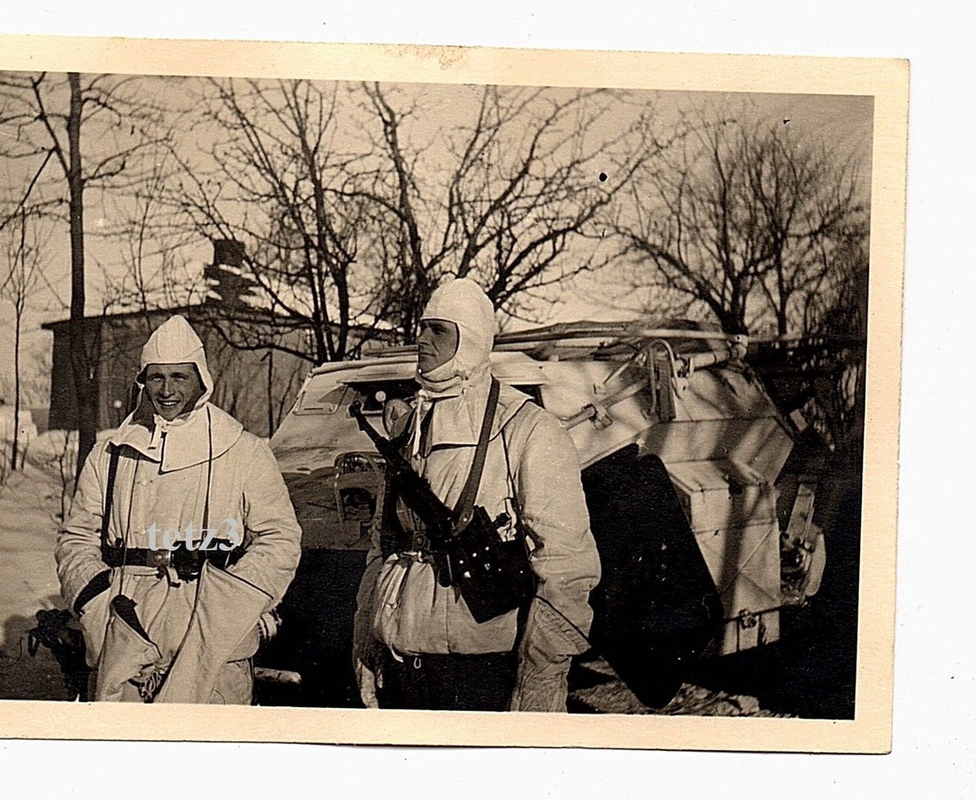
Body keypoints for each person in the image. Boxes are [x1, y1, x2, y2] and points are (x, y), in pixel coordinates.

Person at [352, 278, 601, 712]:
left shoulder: (527, 429)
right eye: (422, 327)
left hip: (480, 672)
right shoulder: (410, 427)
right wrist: (366, 637)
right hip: (402, 662)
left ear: (470, 341)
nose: (421, 339)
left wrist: (541, 678)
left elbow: (567, 568)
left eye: (439, 330)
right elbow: (386, 543)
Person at [55, 315, 301, 703]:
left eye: (179, 377)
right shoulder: (113, 452)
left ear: (201, 379)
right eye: (156, 377)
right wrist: (95, 602)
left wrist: (235, 605)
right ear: (142, 381)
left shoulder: (242, 449)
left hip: (210, 629)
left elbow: (281, 538)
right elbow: (77, 538)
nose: (167, 390)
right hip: (123, 626)